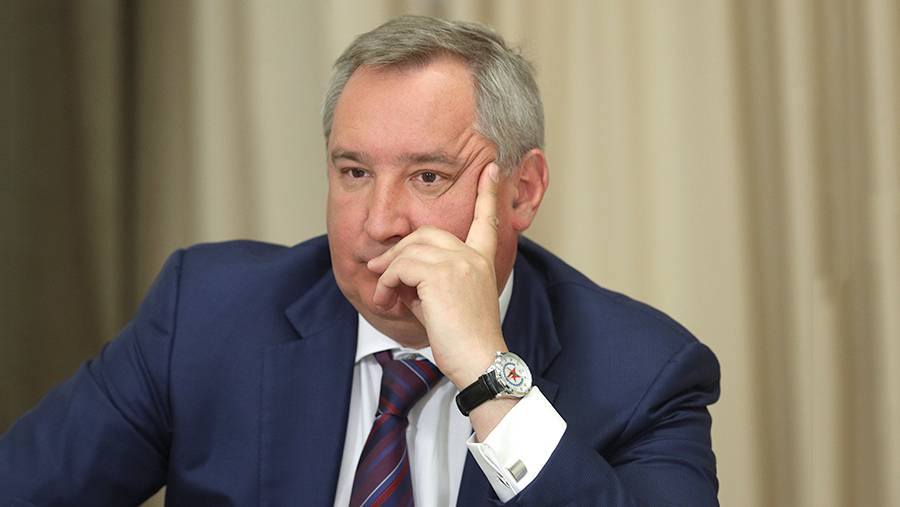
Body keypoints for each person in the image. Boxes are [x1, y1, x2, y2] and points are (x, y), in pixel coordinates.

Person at [0, 15, 720, 506]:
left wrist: (489, 375)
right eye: (354, 172)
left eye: (428, 176)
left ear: (522, 191)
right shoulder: (206, 317)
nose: (379, 223)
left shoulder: (643, 374)